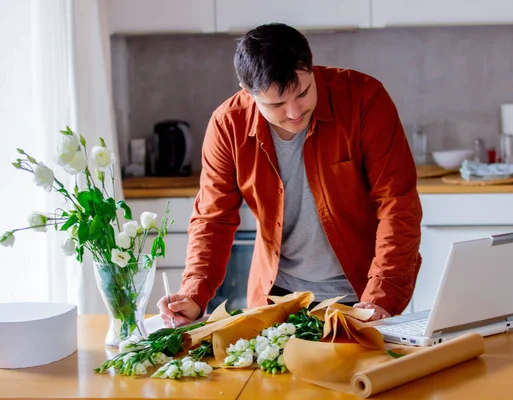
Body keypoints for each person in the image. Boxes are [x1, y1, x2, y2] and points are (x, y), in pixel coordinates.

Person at [157, 22, 422, 327]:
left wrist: (381, 298)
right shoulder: (228, 124)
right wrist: (193, 294)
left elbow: (398, 205)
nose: (294, 112)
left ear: (311, 67)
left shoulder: (364, 98)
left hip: (363, 296)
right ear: (248, 93)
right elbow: (212, 219)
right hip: (275, 299)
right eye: (277, 104)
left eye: (303, 93)